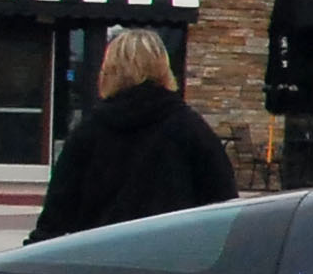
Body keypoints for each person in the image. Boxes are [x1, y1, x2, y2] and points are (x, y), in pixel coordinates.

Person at [30, 26, 238, 241]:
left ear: (108, 71)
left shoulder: (89, 133)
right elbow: (224, 207)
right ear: (164, 69)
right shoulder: (191, 129)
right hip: (173, 253)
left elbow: (55, 216)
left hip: (100, 253)